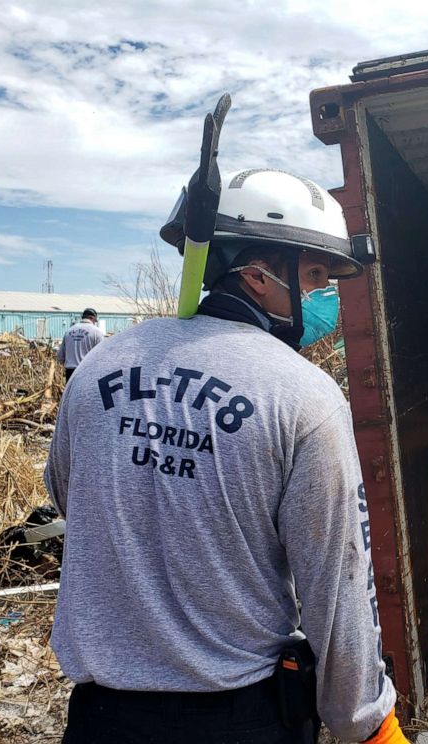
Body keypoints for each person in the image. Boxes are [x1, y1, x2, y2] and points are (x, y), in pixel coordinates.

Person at [45, 168, 405, 744]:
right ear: (258, 275)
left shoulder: (98, 369)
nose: (323, 298)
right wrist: (365, 722)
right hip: (241, 718)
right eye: (314, 276)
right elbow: (337, 583)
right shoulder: (304, 396)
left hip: (100, 719)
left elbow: (69, 495)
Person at [56, 308, 104, 382]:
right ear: (92, 318)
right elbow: (101, 355)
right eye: (95, 321)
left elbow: (60, 356)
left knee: (71, 393)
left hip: (70, 372)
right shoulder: (96, 332)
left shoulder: (69, 331)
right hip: (87, 371)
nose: (95, 323)